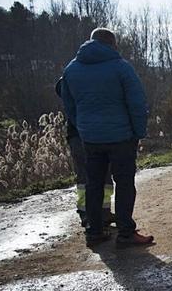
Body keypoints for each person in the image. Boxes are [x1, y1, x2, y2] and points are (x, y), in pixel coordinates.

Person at [60, 28, 154, 247]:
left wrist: (83, 128)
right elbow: (137, 103)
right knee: (124, 183)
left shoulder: (71, 69)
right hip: (121, 136)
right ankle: (126, 233)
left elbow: (69, 105)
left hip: (90, 139)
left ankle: (94, 231)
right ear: (112, 44)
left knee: (93, 184)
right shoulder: (121, 67)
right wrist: (138, 132)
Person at [55, 78, 116, 229]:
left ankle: (103, 211)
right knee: (86, 176)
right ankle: (88, 214)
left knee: (104, 174)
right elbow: (61, 88)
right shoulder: (73, 78)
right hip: (80, 135)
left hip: (95, 133)